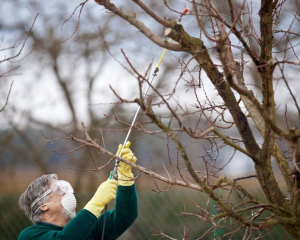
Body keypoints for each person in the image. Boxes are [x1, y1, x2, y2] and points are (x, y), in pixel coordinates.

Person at [17, 141, 138, 240]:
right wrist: (96, 203)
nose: (67, 193)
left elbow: (126, 215)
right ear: (42, 205)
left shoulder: (89, 228)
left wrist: (125, 177)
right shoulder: (30, 235)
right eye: (59, 189)